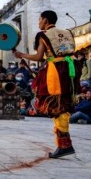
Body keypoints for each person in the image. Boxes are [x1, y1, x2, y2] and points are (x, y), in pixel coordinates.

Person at [14, 10, 81, 158]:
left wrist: (21, 55)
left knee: (57, 105)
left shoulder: (43, 35)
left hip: (56, 72)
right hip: (71, 71)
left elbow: (38, 56)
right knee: (64, 103)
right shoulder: (68, 32)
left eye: (39, 19)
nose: (39, 22)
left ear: (45, 20)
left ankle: (65, 145)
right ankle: (64, 144)